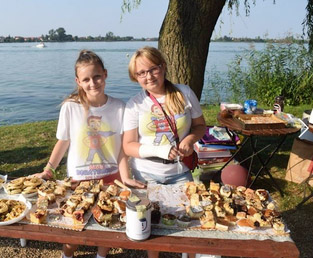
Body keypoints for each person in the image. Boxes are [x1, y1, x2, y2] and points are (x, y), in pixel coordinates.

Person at [34, 49, 144, 258]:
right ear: (78, 81)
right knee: (74, 225)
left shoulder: (120, 107)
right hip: (79, 179)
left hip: (111, 177)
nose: (93, 83)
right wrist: (48, 170)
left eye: (97, 77)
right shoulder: (70, 107)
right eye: (86, 79)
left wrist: (125, 176)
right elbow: (63, 141)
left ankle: (101, 255)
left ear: (105, 74)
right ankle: (67, 255)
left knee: (107, 222)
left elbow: (122, 148)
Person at [123, 46, 206, 258]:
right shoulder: (135, 105)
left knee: (189, 218)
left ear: (163, 67)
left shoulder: (184, 92)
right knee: (151, 223)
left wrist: (189, 140)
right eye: (141, 73)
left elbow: (200, 126)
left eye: (153, 69)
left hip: (180, 171)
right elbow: (128, 145)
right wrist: (159, 150)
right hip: (146, 174)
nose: (148, 76)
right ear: (135, 77)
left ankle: (189, 254)